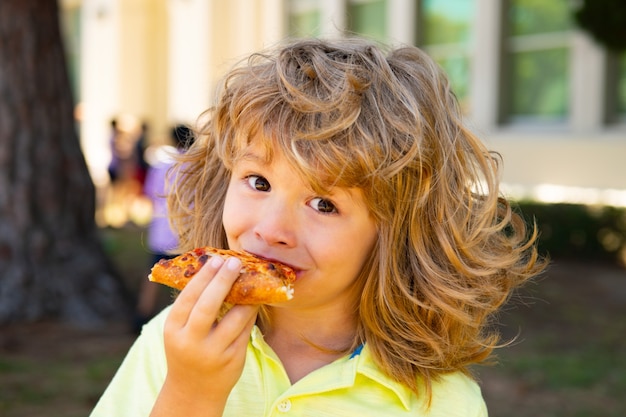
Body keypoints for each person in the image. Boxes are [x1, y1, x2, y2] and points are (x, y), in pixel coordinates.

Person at [90, 38, 546, 416]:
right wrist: (190, 394)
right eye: (258, 181)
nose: (271, 229)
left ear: (396, 232)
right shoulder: (173, 342)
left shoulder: (437, 401)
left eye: (323, 203)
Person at [132, 124, 194, 333]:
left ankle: (142, 313)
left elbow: (151, 192)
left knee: (153, 271)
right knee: (188, 273)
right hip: (188, 227)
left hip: (163, 225)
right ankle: (185, 316)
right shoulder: (198, 164)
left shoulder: (163, 164)